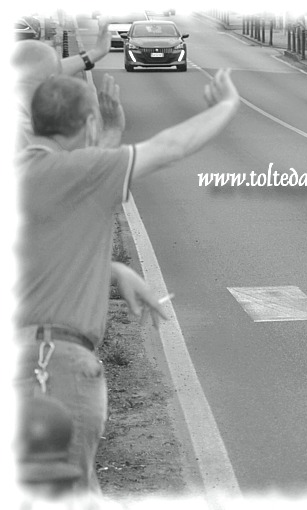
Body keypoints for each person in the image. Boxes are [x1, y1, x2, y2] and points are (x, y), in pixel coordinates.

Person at [14, 68, 241, 495]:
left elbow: (47, 246)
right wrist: (228, 106)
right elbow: (170, 146)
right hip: (54, 368)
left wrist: (111, 270)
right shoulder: (79, 172)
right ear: (87, 124)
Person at [13, 20, 111, 149]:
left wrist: (94, 53)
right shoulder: (27, 136)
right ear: (52, 82)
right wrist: (112, 129)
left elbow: (43, 68)